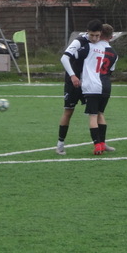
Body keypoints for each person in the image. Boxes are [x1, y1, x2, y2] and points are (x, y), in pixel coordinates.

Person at [55, 19, 103, 155]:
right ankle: (60, 144)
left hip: (89, 84)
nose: (94, 38)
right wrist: (73, 76)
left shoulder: (100, 44)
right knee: (68, 112)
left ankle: (101, 143)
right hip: (73, 82)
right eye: (92, 35)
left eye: (97, 35)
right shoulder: (79, 41)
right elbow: (64, 58)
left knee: (97, 112)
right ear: (87, 32)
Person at [82, 24, 119, 155]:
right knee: (101, 114)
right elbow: (110, 71)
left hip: (93, 85)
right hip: (106, 85)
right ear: (111, 37)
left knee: (93, 116)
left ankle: (97, 145)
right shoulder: (114, 53)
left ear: (99, 34)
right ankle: (102, 143)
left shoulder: (91, 47)